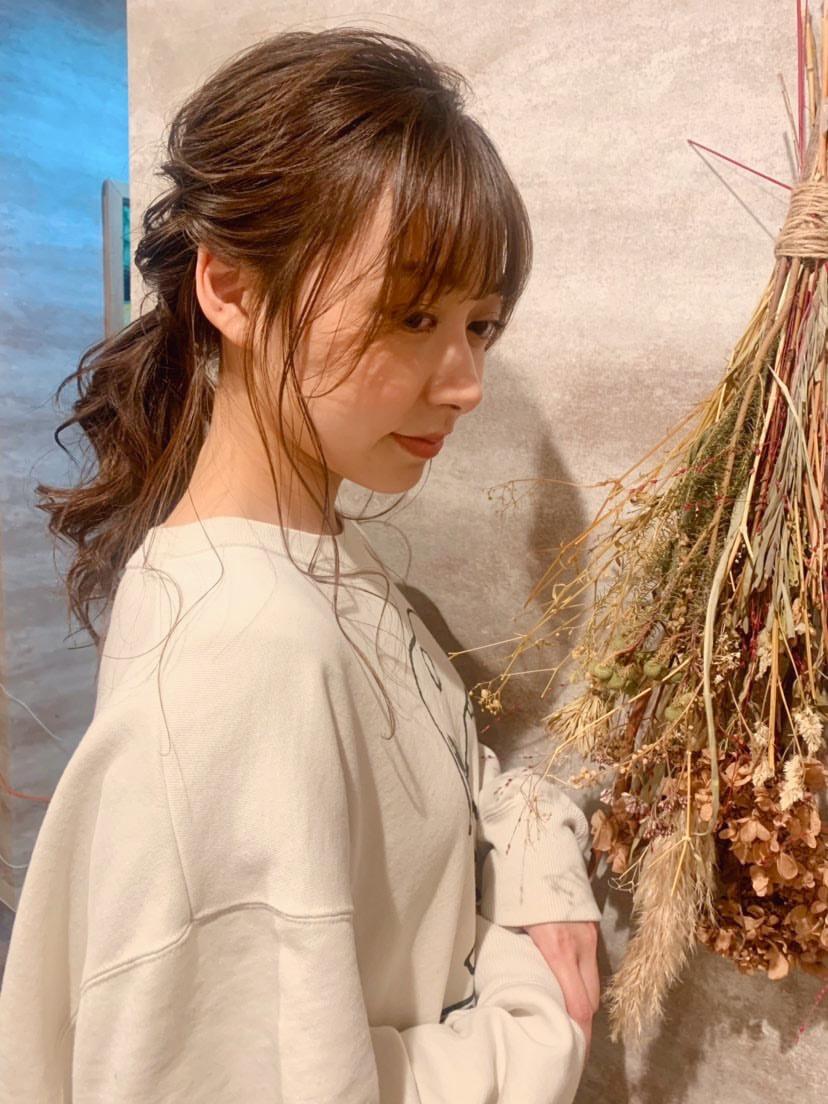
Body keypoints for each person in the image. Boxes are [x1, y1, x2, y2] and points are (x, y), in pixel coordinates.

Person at [0, 27, 602, 1102]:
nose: (466, 382)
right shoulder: (246, 653)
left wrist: (539, 858)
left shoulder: (322, 559)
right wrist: (535, 1011)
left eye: (480, 324)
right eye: (413, 315)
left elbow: (457, 775)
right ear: (230, 288)